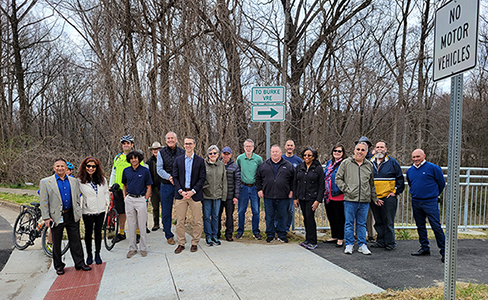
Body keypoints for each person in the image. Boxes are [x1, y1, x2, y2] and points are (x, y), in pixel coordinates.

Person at [39, 158, 91, 275]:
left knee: (76, 240)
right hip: (56, 216)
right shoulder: (46, 182)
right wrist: (46, 217)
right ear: (54, 168)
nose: (60, 168)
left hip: (71, 214)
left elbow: (77, 196)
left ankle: (80, 263)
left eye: (62, 166)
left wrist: (78, 210)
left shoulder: (73, 181)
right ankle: (59, 265)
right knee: (57, 242)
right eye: (57, 166)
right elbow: (44, 201)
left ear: (66, 168)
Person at [335, 142, 383, 255]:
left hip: (364, 200)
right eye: (358, 149)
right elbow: (338, 179)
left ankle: (362, 245)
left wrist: (374, 198)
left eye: (362, 150)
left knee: (362, 224)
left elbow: (371, 184)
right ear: (354, 150)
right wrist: (347, 189)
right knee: (349, 223)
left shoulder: (369, 165)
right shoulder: (346, 163)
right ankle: (349, 244)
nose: (360, 152)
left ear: (366, 152)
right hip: (350, 199)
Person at [407, 149, 446, 263]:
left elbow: (441, 183)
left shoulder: (433, 168)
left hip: (430, 202)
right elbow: (411, 183)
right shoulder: (410, 171)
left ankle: (444, 252)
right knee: (420, 226)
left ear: (424, 156)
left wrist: (433, 195)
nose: (416, 159)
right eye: (414, 157)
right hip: (416, 201)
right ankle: (424, 248)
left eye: (418, 156)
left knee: (436, 226)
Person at [110, 135, 147, 242]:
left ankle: (137, 233)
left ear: (132, 145)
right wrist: (110, 186)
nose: (126, 145)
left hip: (132, 190)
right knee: (121, 212)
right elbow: (114, 171)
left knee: (135, 212)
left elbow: (143, 171)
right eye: (124, 143)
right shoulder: (117, 157)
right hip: (119, 189)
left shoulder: (136, 157)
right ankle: (121, 233)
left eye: (128, 143)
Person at [172, 137, 206, 254]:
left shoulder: (200, 161)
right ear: (184, 145)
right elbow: (175, 177)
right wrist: (181, 191)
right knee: (180, 221)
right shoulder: (178, 160)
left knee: (197, 221)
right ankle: (181, 243)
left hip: (195, 195)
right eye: (186, 144)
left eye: (190, 144)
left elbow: (202, 178)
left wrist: (193, 191)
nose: (188, 146)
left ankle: (195, 242)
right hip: (181, 194)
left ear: (194, 145)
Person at [370, 141, 405, 251]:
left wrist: (395, 192)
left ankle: (390, 243)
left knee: (388, 221)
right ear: (374, 149)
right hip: (374, 197)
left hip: (388, 197)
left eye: (382, 147)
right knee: (378, 220)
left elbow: (400, 178)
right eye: (377, 147)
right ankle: (380, 241)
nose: (379, 149)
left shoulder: (392, 162)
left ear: (386, 149)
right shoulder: (369, 162)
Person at [256, 145, 295, 243]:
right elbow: (258, 178)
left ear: (280, 152)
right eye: (273, 152)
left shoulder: (288, 165)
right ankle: (270, 234)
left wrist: (292, 190)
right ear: (270, 153)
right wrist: (259, 189)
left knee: (283, 215)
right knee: (269, 216)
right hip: (268, 195)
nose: (275, 153)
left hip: (284, 195)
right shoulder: (264, 165)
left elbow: (293, 180)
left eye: (277, 152)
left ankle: (282, 234)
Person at [78, 157, 110, 265]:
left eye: (93, 166)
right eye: (88, 166)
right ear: (84, 167)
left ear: (97, 167)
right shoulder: (80, 180)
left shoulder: (102, 179)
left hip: (100, 210)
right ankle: (89, 254)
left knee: (98, 232)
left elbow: (106, 192)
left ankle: (97, 254)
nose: (91, 168)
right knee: (88, 233)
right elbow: (77, 195)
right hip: (87, 211)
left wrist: (106, 202)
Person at [122, 151, 153, 258]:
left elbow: (149, 186)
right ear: (129, 160)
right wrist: (125, 197)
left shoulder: (145, 171)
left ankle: (143, 248)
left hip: (141, 199)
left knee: (142, 224)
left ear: (139, 159)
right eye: (131, 158)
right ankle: (132, 248)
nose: (133, 160)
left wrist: (145, 200)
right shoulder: (126, 171)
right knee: (131, 225)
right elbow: (124, 185)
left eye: (135, 158)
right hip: (129, 199)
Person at [293, 147, 324, 250]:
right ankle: (307, 239)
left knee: (310, 218)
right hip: (302, 197)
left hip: (312, 197)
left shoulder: (318, 168)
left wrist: (318, 200)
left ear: (313, 157)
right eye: (305, 155)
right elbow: (295, 183)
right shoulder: (299, 167)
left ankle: (313, 241)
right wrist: (295, 198)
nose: (306, 157)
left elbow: (321, 185)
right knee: (306, 218)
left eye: (309, 155)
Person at [157, 132, 185, 245]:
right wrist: (169, 177)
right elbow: (159, 169)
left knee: (181, 212)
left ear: (176, 139)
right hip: (166, 185)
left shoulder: (182, 152)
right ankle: (169, 235)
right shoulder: (161, 152)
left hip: (180, 185)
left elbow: (185, 167)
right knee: (166, 211)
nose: (170, 140)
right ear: (166, 140)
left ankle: (181, 235)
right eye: (168, 138)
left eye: (172, 138)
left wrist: (178, 179)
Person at [235, 139, 263, 240]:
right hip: (243, 187)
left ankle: (256, 231)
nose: (248, 148)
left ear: (253, 148)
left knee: (255, 210)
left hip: (255, 187)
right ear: (244, 147)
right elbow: (237, 173)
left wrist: (260, 188)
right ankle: (240, 231)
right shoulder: (240, 158)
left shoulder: (258, 159)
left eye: (250, 146)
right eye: (246, 146)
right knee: (241, 210)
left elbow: (261, 174)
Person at [202, 145, 227, 246]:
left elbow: (224, 181)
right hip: (206, 195)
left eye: (214, 153)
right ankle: (208, 236)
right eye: (210, 153)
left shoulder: (221, 165)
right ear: (208, 155)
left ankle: (214, 236)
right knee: (207, 217)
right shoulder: (204, 165)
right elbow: (201, 180)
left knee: (216, 216)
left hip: (217, 196)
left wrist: (223, 195)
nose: (212, 155)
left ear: (217, 154)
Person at [323, 144, 347, 247]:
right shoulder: (329, 162)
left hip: (338, 194)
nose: (337, 153)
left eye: (339, 151)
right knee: (331, 216)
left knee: (339, 217)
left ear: (343, 153)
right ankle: (334, 235)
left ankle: (341, 238)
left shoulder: (345, 163)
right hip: (328, 195)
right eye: (335, 151)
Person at [355, 136, 375, 242]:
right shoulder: (353, 159)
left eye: (365, 144)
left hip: (367, 191)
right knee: (354, 216)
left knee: (369, 215)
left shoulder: (372, 159)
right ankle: (355, 234)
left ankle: (371, 235)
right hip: (355, 192)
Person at [218, 146, 240, 241]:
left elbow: (237, 182)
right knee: (217, 215)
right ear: (221, 154)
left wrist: (236, 196)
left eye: (228, 154)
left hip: (230, 196)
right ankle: (216, 232)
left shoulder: (234, 166)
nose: (225, 156)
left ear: (231, 155)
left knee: (229, 216)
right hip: (218, 195)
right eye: (224, 154)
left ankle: (229, 233)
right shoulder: (217, 164)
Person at [282, 140, 302, 232]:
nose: (289, 147)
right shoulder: (280, 158)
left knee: (290, 210)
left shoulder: (298, 160)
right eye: (288, 145)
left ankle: (287, 229)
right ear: (285, 147)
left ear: (294, 147)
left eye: (291, 145)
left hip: (293, 190)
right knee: (280, 210)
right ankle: (278, 228)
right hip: (281, 190)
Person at [146, 142, 163, 231]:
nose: (155, 151)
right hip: (153, 188)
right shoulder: (149, 162)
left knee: (164, 206)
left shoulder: (164, 160)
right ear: (152, 151)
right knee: (155, 207)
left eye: (157, 149)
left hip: (163, 186)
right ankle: (156, 224)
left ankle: (165, 224)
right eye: (154, 149)